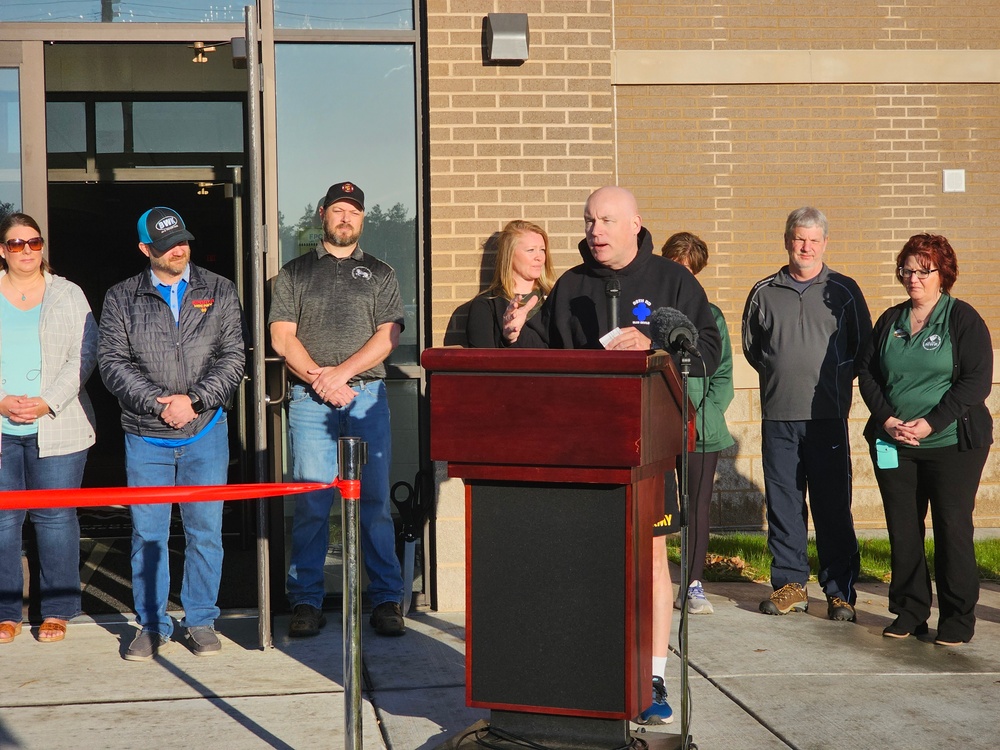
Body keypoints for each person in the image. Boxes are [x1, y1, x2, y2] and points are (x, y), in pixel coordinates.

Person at [517, 186, 721, 725]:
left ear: (636, 224)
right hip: (582, 448)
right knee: (586, 558)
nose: (595, 231)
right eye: (589, 221)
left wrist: (652, 341)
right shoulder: (571, 286)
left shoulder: (672, 281)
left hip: (649, 448)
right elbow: (533, 354)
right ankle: (588, 667)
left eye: (607, 220)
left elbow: (708, 346)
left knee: (651, 558)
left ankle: (652, 673)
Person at [99, 206, 246, 661]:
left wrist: (195, 400)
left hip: (206, 432)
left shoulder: (219, 289)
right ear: (146, 250)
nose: (179, 249)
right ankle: (152, 624)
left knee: (206, 533)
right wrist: (158, 402)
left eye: (182, 240)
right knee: (149, 535)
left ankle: (200, 620)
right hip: (146, 436)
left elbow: (234, 356)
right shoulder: (121, 297)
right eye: (166, 245)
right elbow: (111, 363)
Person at [269, 181, 407, 638]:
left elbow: (388, 337)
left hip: (366, 399)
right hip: (311, 403)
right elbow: (282, 338)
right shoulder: (293, 274)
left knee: (374, 503)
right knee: (311, 503)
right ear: (322, 214)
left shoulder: (382, 274)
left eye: (354, 211)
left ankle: (386, 599)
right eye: (338, 210)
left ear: (362, 219)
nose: (346, 218)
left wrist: (340, 375)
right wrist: (319, 381)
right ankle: (306, 601)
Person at [857, 234, 992, 645]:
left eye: (923, 270)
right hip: (895, 443)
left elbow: (975, 381)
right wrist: (888, 418)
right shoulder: (890, 321)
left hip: (952, 444)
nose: (913, 278)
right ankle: (910, 610)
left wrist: (932, 422)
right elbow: (868, 374)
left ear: (943, 274)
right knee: (903, 528)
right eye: (908, 269)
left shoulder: (962, 318)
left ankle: (957, 618)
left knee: (952, 527)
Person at [742, 207, 871, 622]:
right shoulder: (764, 291)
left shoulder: (844, 291)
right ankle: (790, 586)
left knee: (833, 505)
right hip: (778, 415)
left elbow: (860, 349)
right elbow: (753, 348)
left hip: (827, 417)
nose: (806, 247)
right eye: (799, 239)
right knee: (784, 503)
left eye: (814, 240)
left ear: (825, 244)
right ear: (786, 240)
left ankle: (839, 592)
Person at [0, 213, 97, 645]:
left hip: (58, 426)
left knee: (55, 519)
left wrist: (46, 402)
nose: (25, 251)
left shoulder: (68, 294)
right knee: (3, 522)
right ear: (2, 250)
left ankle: (57, 609)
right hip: (1, 424)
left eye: (33, 242)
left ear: (42, 247)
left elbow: (85, 354)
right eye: (15, 243)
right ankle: (6, 612)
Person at [661, 232, 734, 616]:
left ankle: (691, 584)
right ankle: (648, 579)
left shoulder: (712, 316)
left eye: (688, 271)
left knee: (695, 508)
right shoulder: (650, 314)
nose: (682, 277)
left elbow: (723, 378)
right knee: (654, 509)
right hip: (657, 428)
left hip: (701, 431)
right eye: (675, 268)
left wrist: (697, 419)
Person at [466, 219, 554, 348]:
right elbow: (483, 362)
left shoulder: (555, 298)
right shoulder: (486, 305)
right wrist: (509, 339)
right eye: (530, 250)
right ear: (509, 255)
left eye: (542, 250)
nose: (539, 257)